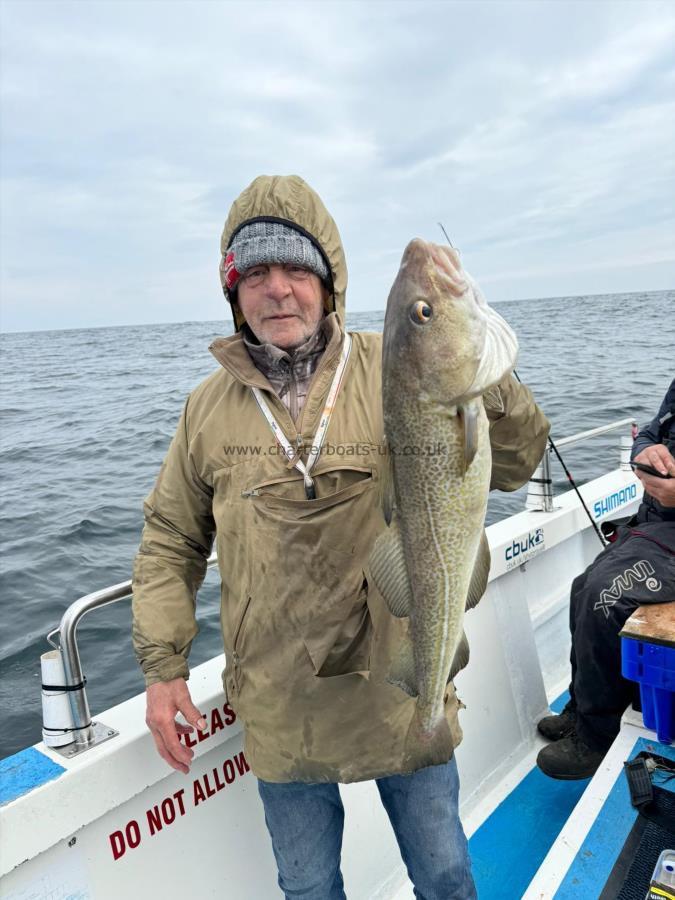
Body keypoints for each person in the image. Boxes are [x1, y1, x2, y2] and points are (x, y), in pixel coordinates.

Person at [131, 174, 549, 899]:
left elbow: (514, 463)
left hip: (399, 678)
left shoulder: (392, 362)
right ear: (233, 292)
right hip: (278, 698)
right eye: (255, 273)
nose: (278, 290)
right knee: (306, 885)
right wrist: (163, 667)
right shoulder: (205, 407)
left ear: (329, 282)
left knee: (446, 872)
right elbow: (170, 539)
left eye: (297, 269)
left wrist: (488, 372)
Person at [537, 377, 675, 780]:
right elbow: (650, 432)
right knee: (583, 585)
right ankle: (582, 707)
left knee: (605, 595)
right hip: (654, 526)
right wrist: (644, 451)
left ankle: (597, 738)